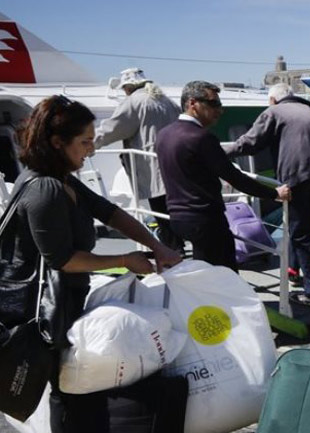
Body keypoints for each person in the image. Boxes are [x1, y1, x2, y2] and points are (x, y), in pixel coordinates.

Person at [11, 95, 182, 432]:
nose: (90, 150)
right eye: (85, 142)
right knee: (70, 391)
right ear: (57, 142)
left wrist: (155, 245)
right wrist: (125, 259)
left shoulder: (63, 179)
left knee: (79, 389)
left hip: (64, 301)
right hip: (44, 310)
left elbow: (109, 211)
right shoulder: (45, 189)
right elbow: (62, 259)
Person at [227, 83, 310, 308]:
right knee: (308, 229)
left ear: (272, 100)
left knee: (299, 234)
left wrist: (221, 151)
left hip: (297, 178)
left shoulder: (273, 112)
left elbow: (250, 143)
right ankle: (297, 272)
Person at [156, 81, 290, 271]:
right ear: (193, 103)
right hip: (205, 220)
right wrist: (274, 193)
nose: (220, 110)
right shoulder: (201, 137)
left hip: (177, 218)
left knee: (203, 270)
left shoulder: (164, 134)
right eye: (213, 104)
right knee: (224, 275)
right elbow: (235, 177)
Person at [94, 68, 184, 251]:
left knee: (160, 211)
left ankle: (173, 251)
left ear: (128, 86)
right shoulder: (167, 101)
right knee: (173, 211)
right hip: (176, 166)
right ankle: (177, 247)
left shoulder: (134, 101)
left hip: (154, 168)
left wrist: (88, 144)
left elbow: (114, 128)